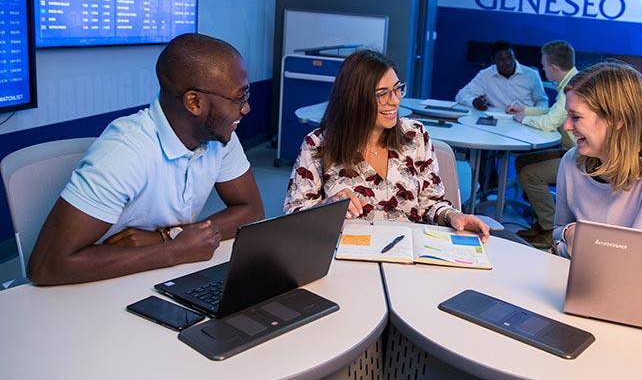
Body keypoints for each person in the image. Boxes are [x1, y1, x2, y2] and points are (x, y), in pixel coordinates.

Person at [27, 34, 265, 285]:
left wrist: (168, 237)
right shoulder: (124, 152)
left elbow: (251, 211)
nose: (246, 108)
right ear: (194, 102)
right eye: (239, 97)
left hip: (157, 276)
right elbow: (46, 265)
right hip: (95, 286)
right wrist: (173, 251)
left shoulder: (218, 134)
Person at [284, 50, 490, 242]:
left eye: (398, 89)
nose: (395, 101)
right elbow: (293, 218)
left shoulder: (415, 135)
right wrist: (328, 208)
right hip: (347, 255)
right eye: (382, 93)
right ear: (354, 99)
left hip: (407, 254)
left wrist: (454, 216)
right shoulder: (318, 144)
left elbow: (431, 203)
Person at [552, 62, 642, 258]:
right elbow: (557, 233)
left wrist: (574, 240)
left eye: (576, 117)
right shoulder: (572, 161)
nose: (567, 126)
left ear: (617, 119)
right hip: (589, 281)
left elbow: (637, 257)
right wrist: (568, 235)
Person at [506, 40, 578, 248]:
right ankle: (540, 220)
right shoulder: (571, 82)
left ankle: (549, 229)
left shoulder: (571, 89)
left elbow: (549, 123)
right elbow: (552, 113)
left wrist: (523, 119)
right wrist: (526, 110)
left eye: (544, 65)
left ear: (554, 68)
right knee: (523, 162)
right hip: (569, 151)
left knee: (530, 173)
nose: (543, 68)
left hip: (579, 158)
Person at [455, 40, 548, 111]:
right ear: (494, 61)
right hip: (496, 121)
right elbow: (461, 95)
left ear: (514, 55)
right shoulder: (485, 75)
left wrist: (534, 115)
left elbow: (542, 101)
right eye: (501, 59)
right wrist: (474, 102)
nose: (507, 62)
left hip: (525, 121)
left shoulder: (531, 75)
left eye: (509, 57)